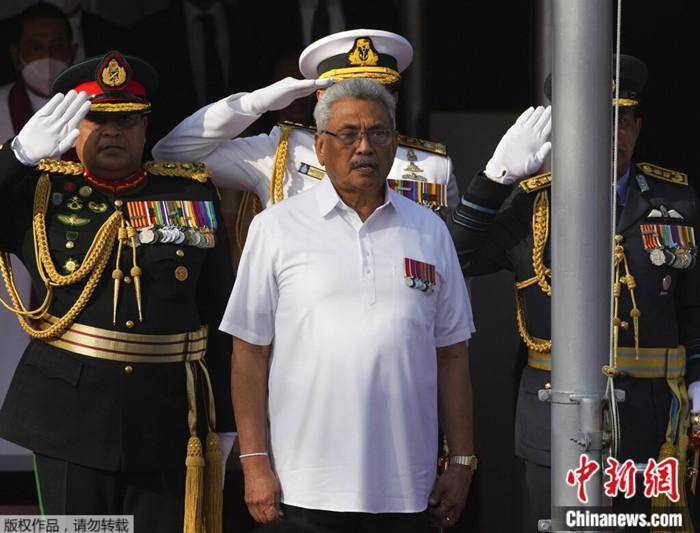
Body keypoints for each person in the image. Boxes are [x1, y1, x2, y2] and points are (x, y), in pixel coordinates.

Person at [449, 55, 700, 530]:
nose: (611, 132)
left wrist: (697, 385)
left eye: (622, 119)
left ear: (637, 127)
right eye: (596, 118)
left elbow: (692, 308)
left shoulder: (675, 200)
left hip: (651, 420)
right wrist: (496, 178)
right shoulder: (533, 203)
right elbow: (455, 257)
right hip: (555, 416)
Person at [220, 78, 476, 533]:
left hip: (407, 488)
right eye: (348, 134)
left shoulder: (429, 230)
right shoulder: (276, 227)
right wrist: (254, 462)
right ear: (320, 146)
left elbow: (452, 354)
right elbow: (249, 351)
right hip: (302, 488)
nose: (364, 147)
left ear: (395, 144)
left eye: (378, 133)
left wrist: (461, 461)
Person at [0, 51, 235, 533]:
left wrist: (226, 420)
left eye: (126, 120)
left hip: (168, 417)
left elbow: (216, 312)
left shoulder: (190, 193)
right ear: (74, 129)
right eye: (97, 120)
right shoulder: (39, 193)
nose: (112, 132)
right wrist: (17, 155)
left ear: (145, 127)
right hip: (68, 419)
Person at [152, 29, 459, 221]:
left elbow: (451, 268)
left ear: (395, 98)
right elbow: (173, 153)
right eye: (349, 94)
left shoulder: (432, 166)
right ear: (321, 97)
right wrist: (255, 103)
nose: (364, 106)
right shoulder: (282, 150)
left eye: (377, 93)